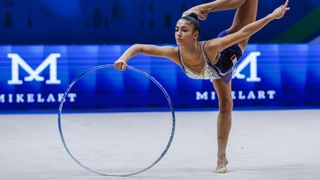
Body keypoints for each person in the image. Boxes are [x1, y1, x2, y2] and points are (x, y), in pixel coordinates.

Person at [114, 0, 290, 173]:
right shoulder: (175, 54)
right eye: (176, 30)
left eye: (184, 30)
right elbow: (139, 47)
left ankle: (221, 157)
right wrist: (124, 58)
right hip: (217, 73)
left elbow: (244, 32)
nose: (178, 34)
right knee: (226, 105)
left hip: (229, 53)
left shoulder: (211, 47)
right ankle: (203, 8)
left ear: (195, 35)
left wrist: (272, 16)